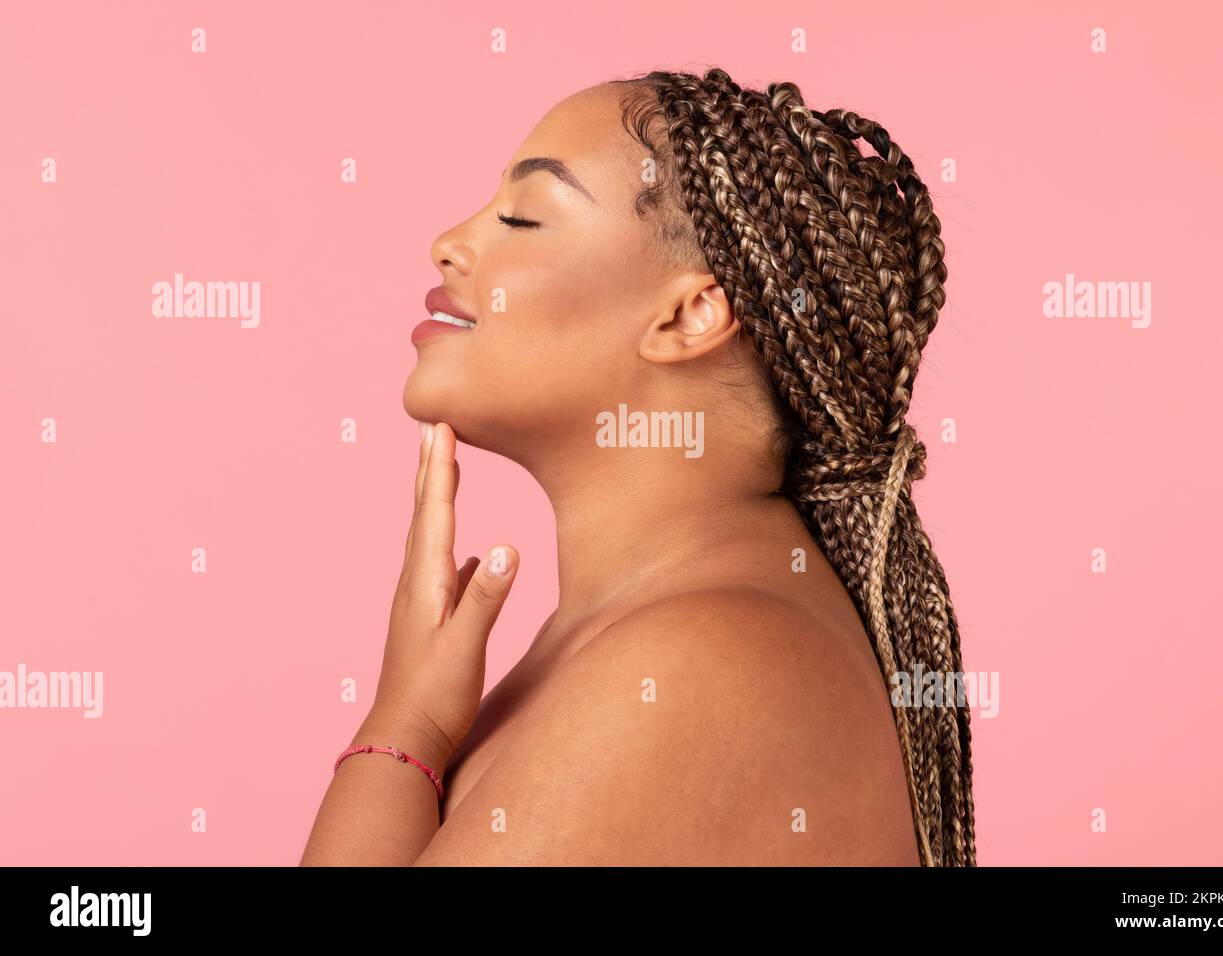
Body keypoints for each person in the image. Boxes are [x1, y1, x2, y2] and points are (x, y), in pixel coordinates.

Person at [300, 66, 975, 866]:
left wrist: (401, 728)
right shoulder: (645, 627)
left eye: (522, 218)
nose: (449, 245)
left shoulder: (699, 662)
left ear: (690, 314)